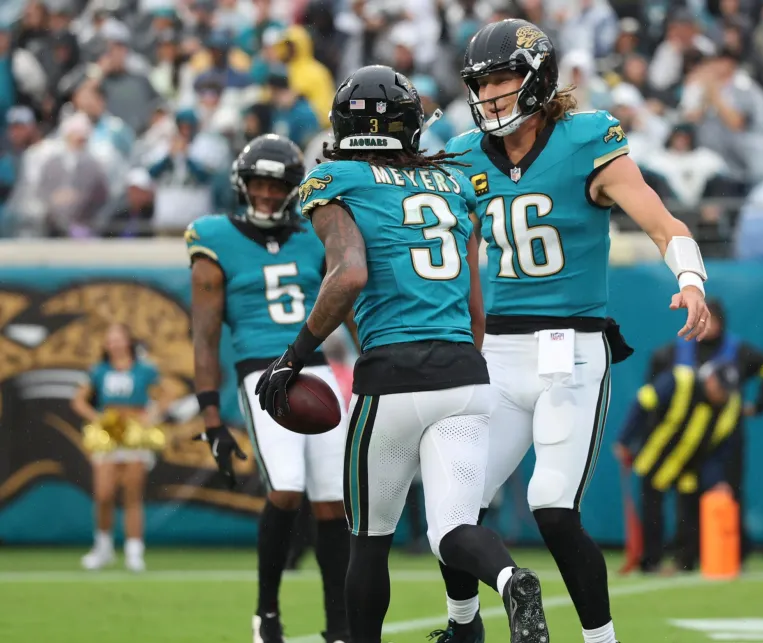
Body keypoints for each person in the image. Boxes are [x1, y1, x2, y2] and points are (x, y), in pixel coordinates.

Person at [435, 19, 712, 643]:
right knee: (454, 507)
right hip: (498, 353)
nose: (490, 96)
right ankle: (463, 627)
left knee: (553, 506)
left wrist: (691, 280)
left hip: (571, 349)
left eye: (503, 79)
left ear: (538, 80)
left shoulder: (587, 140)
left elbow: (663, 224)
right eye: (481, 84)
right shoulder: (462, 153)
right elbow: (456, 258)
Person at [254, 64, 551, 643]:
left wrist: (294, 355)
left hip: (392, 375)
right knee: (453, 530)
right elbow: (475, 310)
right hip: (465, 371)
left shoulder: (336, 177)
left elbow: (348, 276)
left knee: (371, 539)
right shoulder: (456, 183)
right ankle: (512, 578)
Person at [185, 134, 350, 643]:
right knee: (285, 487)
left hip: (315, 369)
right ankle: (267, 614)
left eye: (276, 185)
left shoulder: (312, 237)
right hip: (261, 372)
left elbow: (351, 303)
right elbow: (206, 335)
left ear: (293, 189)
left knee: (332, 501)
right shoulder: (213, 238)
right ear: (241, 183)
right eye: (257, 183)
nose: (265, 194)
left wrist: (371, 366)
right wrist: (211, 415)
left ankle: (340, 624)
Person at [645, 297, 763, 562]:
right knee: (680, 497)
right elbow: (653, 389)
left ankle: (733, 552)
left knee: (727, 492)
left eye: (712, 320)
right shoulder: (673, 352)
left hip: (724, 442)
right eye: (702, 319)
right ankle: (682, 553)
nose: (706, 326)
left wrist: (759, 406)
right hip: (684, 441)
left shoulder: (738, 350)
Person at [614, 360, 741, 573]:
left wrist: (718, 479)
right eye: (720, 389)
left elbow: (720, 449)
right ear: (710, 379)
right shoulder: (680, 380)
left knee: (688, 514)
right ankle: (650, 561)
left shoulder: (730, 405)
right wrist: (625, 439)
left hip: (690, 466)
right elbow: (643, 402)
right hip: (656, 458)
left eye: (727, 392)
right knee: (652, 511)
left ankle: (685, 561)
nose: (722, 396)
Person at [71, 322, 167, 573]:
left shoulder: (145, 369)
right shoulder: (98, 370)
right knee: (103, 493)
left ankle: (134, 552)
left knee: (132, 494)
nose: (114, 343)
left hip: (134, 435)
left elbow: (167, 394)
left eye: (119, 338)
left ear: (128, 341)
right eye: (110, 339)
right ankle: (103, 549)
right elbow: (78, 401)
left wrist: (151, 415)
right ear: (105, 344)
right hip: (108, 436)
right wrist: (99, 419)